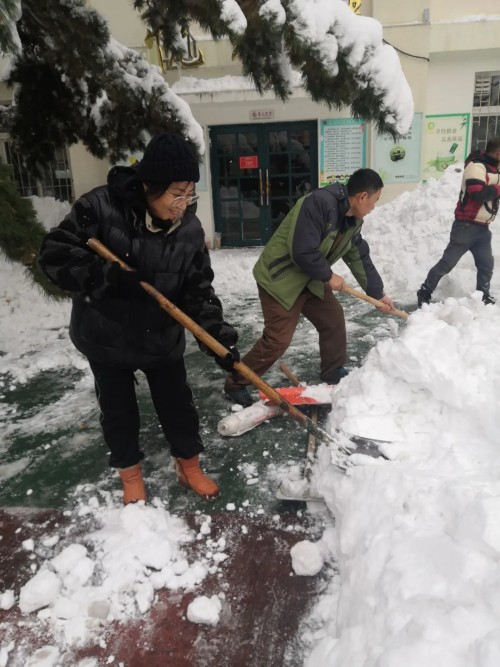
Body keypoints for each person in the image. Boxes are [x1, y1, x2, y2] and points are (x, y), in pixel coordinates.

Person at [38, 133, 241, 504]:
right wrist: (105, 277)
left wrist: (217, 335)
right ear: (150, 185)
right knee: (119, 412)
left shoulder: (190, 232)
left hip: (160, 338)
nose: (183, 204)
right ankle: (130, 475)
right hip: (105, 336)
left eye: (189, 193)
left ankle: (189, 465)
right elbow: (53, 255)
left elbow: (197, 291)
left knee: (178, 405)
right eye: (176, 194)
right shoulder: (99, 207)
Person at [223, 168, 395, 407]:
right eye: (375, 201)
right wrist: (328, 275)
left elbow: (359, 257)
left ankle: (332, 372)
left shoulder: (353, 221)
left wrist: (378, 294)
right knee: (277, 340)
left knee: (333, 319)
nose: (374, 207)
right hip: (280, 279)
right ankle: (236, 382)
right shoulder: (319, 203)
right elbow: (302, 250)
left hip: (310, 279)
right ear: (362, 196)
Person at [417, 137, 500, 307]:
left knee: (486, 264)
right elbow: (477, 193)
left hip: (483, 228)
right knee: (447, 263)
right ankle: (425, 290)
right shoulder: (476, 166)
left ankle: (482, 296)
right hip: (466, 226)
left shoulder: (494, 169)